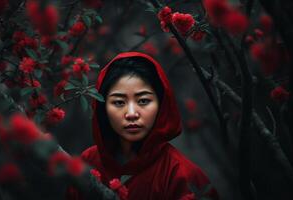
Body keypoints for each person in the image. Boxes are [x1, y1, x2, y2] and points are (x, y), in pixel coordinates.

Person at [68, 52, 218, 200]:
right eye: (119, 102)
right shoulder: (89, 162)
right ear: (103, 108)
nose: (132, 113)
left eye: (143, 101)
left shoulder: (182, 175)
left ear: (161, 104)